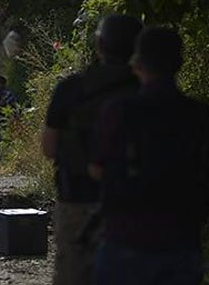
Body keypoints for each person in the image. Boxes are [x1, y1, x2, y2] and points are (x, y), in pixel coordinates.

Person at [90, 27, 209, 285]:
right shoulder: (198, 115)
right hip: (182, 240)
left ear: (137, 64)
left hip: (125, 236)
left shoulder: (118, 110)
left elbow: (97, 168)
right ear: (179, 64)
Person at [41, 14, 143, 285]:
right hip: (141, 205)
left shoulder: (71, 89)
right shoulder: (148, 90)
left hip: (78, 199)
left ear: (99, 44)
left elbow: (49, 148)